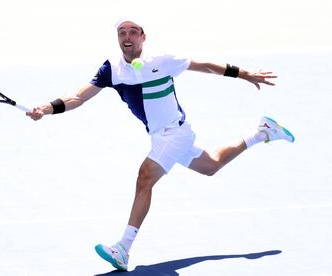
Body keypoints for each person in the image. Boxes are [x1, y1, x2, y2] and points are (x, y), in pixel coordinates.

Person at [26, 18, 295, 271]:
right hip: (161, 135)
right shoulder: (112, 69)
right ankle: (262, 132)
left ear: (143, 37)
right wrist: (48, 108)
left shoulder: (163, 60)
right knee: (211, 165)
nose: (127, 37)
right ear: (118, 38)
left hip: (174, 134)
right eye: (122, 32)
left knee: (145, 178)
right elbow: (78, 96)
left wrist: (244, 74)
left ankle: (123, 248)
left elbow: (206, 66)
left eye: (133, 32)